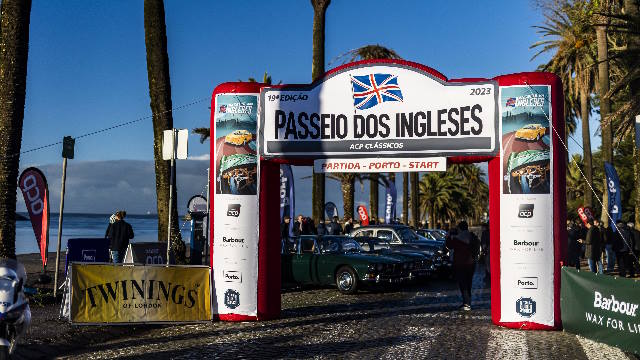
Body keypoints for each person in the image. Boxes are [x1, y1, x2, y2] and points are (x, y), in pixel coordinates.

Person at [446, 221, 479, 311]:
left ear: (459, 228)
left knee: (463, 284)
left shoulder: (458, 238)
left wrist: (448, 235)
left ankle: (467, 304)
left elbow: (449, 245)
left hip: (461, 264)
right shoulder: (471, 236)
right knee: (469, 283)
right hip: (471, 263)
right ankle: (467, 302)